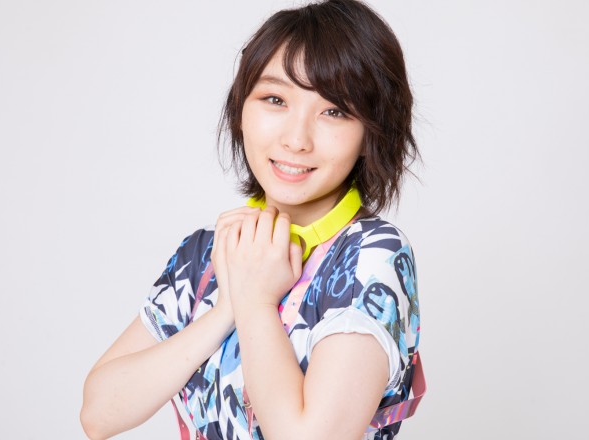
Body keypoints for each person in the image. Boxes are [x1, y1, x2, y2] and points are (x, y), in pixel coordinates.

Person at [81, 0, 421, 439]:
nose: (296, 139)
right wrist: (229, 306)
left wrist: (257, 303)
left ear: (371, 132)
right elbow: (98, 413)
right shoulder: (206, 253)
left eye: (334, 110)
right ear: (241, 109)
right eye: (275, 99)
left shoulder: (370, 256)